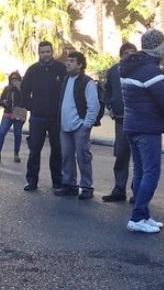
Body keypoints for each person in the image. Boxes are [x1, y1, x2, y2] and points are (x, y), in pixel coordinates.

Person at [120, 29, 164, 233]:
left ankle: (143, 214)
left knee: (139, 170)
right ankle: (137, 216)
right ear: (158, 45)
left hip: (132, 125)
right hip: (148, 127)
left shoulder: (130, 67)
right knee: (151, 172)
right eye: (163, 44)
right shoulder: (151, 71)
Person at [20, 41, 67, 192]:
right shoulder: (32, 70)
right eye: (42, 52)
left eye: (48, 51)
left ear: (52, 52)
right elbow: (24, 91)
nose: (45, 54)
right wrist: (31, 106)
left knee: (57, 150)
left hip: (55, 118)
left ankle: (57, 181)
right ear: (39, 53)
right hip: (37, 118)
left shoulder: (61, 69)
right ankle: (32, 181)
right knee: (34, 151)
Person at [55, 52, 100, 200]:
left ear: (80, 64)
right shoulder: (65, 79)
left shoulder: (87, 82)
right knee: (67, 156)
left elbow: (94, 105)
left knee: (83, 157)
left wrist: (86, 125)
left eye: (72, 61)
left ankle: (86, 186)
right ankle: (69, 184)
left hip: (79, 126)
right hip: (65, 126)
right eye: (67, 61)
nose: (67, 63)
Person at [102, 42, 138, 203]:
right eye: (126, 53)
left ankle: (138, 191)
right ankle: (119, 188)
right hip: (121, 119)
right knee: (121, 155)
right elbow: (107, 90)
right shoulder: (113, 71)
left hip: (138, 120)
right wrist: (109, 105)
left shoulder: (141, 70)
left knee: (139, 157)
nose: (129, 56)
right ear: (121, 55)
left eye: (132, 53)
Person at [0, 72, 24, 164]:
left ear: (19, 79)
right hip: (8, 113)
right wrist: (4, 102)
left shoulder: (23, 89)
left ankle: (16, 154)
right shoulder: (7, 89)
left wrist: (19, 89)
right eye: (12, 79)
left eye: (16, 79)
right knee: (1, 132)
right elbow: (1, 101)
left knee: (17, 134)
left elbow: (26, 101)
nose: (14, 80)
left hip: (19, 112)